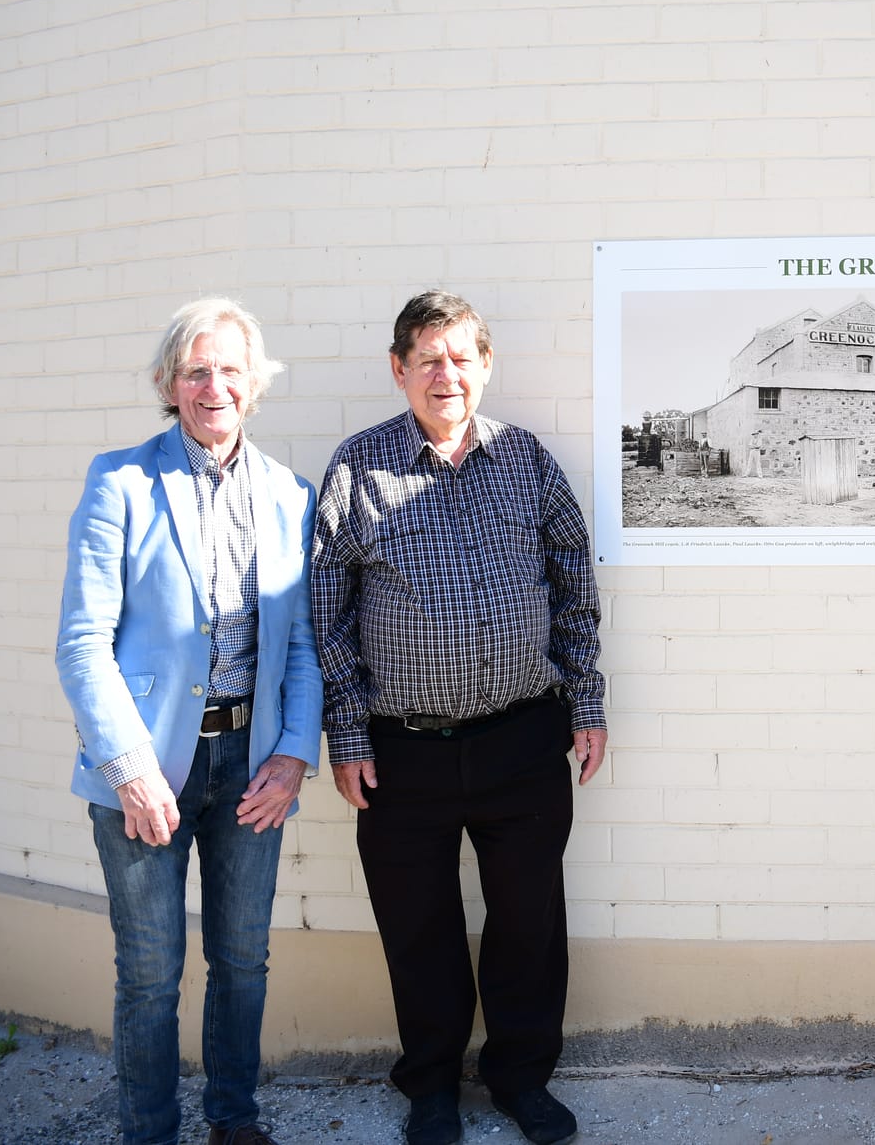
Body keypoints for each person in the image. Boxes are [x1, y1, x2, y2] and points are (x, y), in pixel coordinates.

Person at [312, 291, 606, 1145]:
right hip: (404, 754)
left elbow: (572, 584)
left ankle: (519, 1077)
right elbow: (326, 615)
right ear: (398, 368)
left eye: (461, 357)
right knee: (421, 929)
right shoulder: (358, 469)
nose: (447, 374)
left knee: (528, 921)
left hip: (523, 738)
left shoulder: (525, 459)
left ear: (484, 366)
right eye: (428, 358)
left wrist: (585, 700)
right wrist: (349, 733)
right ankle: (432, 1087)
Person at [56, 299, 322, 1145]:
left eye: (230, 370)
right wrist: (128, 766)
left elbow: (307, 647)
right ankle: (150, 1133)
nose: (215, 386)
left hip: (250, 763)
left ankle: (233, 1122)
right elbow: (81, 644)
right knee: (151, 974)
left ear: (255, 384)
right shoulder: (120, 481)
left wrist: (293, 756)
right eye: (197, 370)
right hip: (146, 767)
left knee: (243, 962)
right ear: (171, 384)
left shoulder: (290, 495)